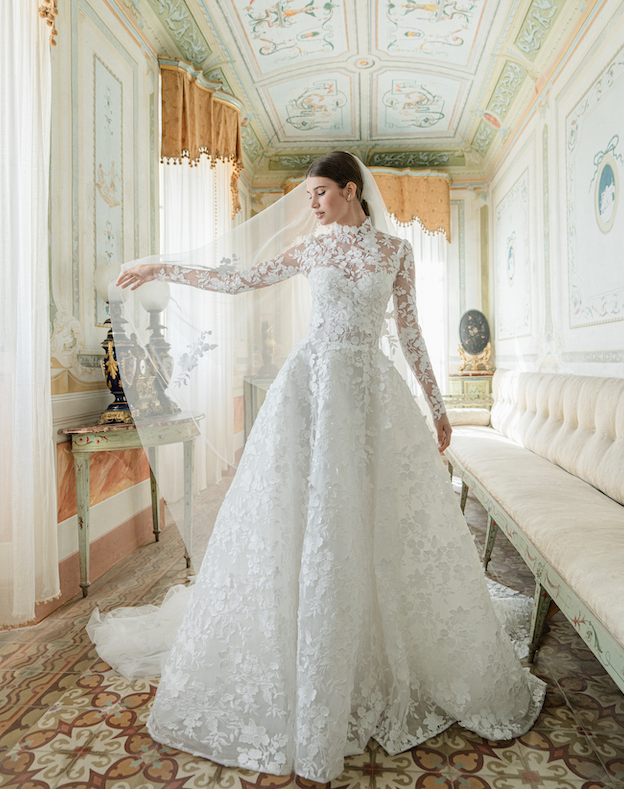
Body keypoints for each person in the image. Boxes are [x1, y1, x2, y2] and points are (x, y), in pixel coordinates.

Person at [90, 152, 545, 783]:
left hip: (372, 397)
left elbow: (410, 333)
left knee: (373, 519)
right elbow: (240, 278)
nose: (312, 205)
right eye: (309, 196)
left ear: (351, 191)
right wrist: (163, 265)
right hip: (313, 393)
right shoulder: (312, 247)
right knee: (310, 520)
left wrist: (437, 408)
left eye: (321, 193)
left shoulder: (395, 254)